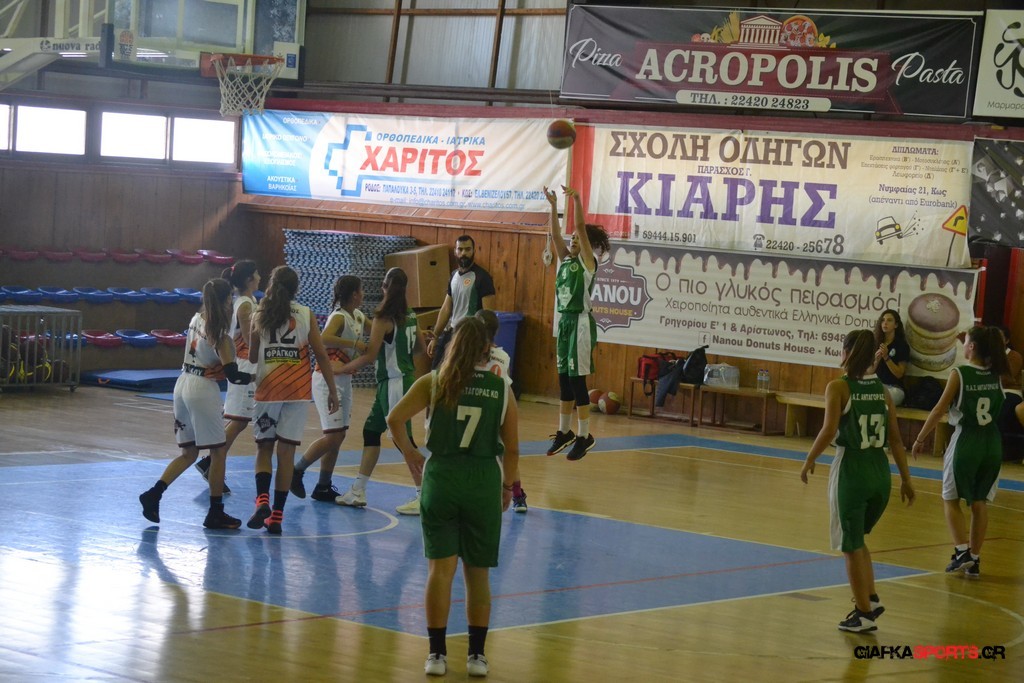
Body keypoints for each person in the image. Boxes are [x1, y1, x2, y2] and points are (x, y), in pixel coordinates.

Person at [385, 316, 520, 678]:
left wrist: (411, 454)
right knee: (478, 576)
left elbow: (394, 419)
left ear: (453, 344)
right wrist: (508, 487)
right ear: (487, 349)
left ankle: (436, 655)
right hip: (482, 481)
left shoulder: (433, 381)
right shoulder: (501, 387)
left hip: (441, 479)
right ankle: (476, 656)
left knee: (439, 572)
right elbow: (512, 449)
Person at [800, 329, 915, 633]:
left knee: (849, 546)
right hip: (880, 473)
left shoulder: (839, 387)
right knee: (859, 541)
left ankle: (863, 614)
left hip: (851, 470)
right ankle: (871, 599)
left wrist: (809, 459)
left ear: (847, 352)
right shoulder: (883, 392)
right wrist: (906, 479)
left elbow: (828, 430)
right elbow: (896, 439)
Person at [139, 278, 254, 529]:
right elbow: (234, 376)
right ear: (227, 301)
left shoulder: (196, 319)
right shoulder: (220, 335)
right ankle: (215, 512)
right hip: (202, 389)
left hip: (182, 384)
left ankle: (154, 493)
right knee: (218, 452)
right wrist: (259, 377)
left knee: (189, 453)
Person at [248, 265, 338, 534]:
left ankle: (262, 500)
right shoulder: (305, 314)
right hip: (298, 391)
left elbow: (252, 356)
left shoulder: (259, 313)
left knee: (264, 448)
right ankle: (276, 517)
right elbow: (321, 355)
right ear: (296, 288)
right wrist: (332, 390)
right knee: (286, 454)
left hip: (268, 388)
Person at [913, 325, 1008, 580]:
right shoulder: (996, 375)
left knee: (950, 498)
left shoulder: (960, 373)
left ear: (972, 347)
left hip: (967, 440)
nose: (962, 345)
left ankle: (962, 551)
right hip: (992, 443)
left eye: (965, 341)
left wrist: (920, 437)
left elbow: (938, 409)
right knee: (979, 501)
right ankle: (974, 559)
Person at [334, 267, 427, 514]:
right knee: (371, 431)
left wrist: (342, 369)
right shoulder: (410, 314)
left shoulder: (383, 317)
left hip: (393, 382)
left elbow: (370, 355)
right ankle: (358, 490)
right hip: (402, 380)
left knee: (403, 440)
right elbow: (420, 349)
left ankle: (424, 494)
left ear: (385, 286)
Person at [543, 184, 610, 461]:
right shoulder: (565, 260)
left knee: (577, 380)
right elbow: (555, 234)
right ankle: (564, 431)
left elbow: (580, 227)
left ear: (586, 245)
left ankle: (584, 435)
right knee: (564, 379)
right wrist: (553, 206)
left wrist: (578, 201)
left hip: (581, 324)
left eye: (577, 238)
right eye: (571, 238)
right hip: (565, 323)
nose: (572, 239)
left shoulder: (587, 263)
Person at [290, 275, 367, 502]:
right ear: (354, 294)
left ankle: (323, 485)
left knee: (338, 435)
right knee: (333, 436)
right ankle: (296, 470)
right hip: (326, 379)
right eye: (361, 290)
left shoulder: (358, 315)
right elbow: (324, 339)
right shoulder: (339, 316)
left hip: (344, 378)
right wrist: (354, 344)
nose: (363, 294)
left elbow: (381, 328)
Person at [194, 260, 261, 494]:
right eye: (257, 274)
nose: (260, 277)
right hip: (244, 361)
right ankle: (210, 461)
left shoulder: (247, 301)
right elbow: (251, 340)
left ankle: (209, 461)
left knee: (240, 419)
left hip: (245, 361)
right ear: (248, 279)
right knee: (240, 419)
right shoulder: (245, 305)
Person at [475, 309, 526, 513]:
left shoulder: (473, 354)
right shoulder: (504, 356)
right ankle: (518, 494)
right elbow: (507, 384)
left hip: (482, 406)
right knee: (506, 453)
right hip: (501, 407)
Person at [426, 235, 496, 369]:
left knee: (459, 373)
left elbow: (489, 315)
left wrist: (487, 342)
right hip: (452, 331)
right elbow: (446, 309)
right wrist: (435, 336)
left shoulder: (483, 277)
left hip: (470, 336)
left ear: (474, 251)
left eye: (468, 249)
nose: (464, 253)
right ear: (455, 251)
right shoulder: (453, 276)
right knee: (436, 370)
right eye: (460, 249)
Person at [873, 309, 909, 406]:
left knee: (877, 400)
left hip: (894, 388)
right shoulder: (875, 343)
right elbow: (869, 371)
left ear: (896, 325)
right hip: (876, 386)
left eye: (889, 320)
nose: (885, 323)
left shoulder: (901, 346)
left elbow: (899, 374)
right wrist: (876, 360)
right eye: (883, 320)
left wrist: (886, 357)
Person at [997, 325, 1022, 397]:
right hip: (992, 390)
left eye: (999, 338)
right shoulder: (988, 355)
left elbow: (1006, 378)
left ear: (1007, 341)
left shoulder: (1015, 356)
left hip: (1010, 391)